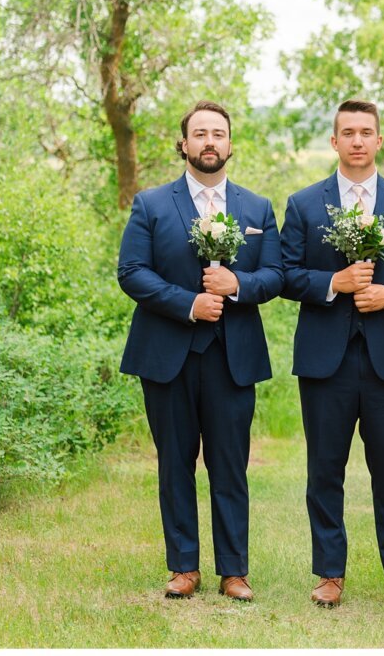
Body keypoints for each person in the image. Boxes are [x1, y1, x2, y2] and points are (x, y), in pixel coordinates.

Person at [118, 100, 283, 601]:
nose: (210, 141)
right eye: (200, 133)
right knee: (175, 462)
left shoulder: (257, 209)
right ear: (184, 143)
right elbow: (132, 272)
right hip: (167, 353)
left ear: (230, 145)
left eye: (219, 133)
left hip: (234, 357)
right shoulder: (150, 204)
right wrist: (188, 303)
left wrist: (236, 285)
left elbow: (275, 276)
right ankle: (183, 566)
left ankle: (234, 570)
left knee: (230, 464)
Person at [280, 99, 384, 607]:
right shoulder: (305, 203)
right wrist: (335, 283)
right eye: (348, 132)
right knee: (325, 469)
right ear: (334, 141)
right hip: (326, 359)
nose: (358, 141)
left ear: (379, 140)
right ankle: (329, 573)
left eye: (366, 132)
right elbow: (286, 274)